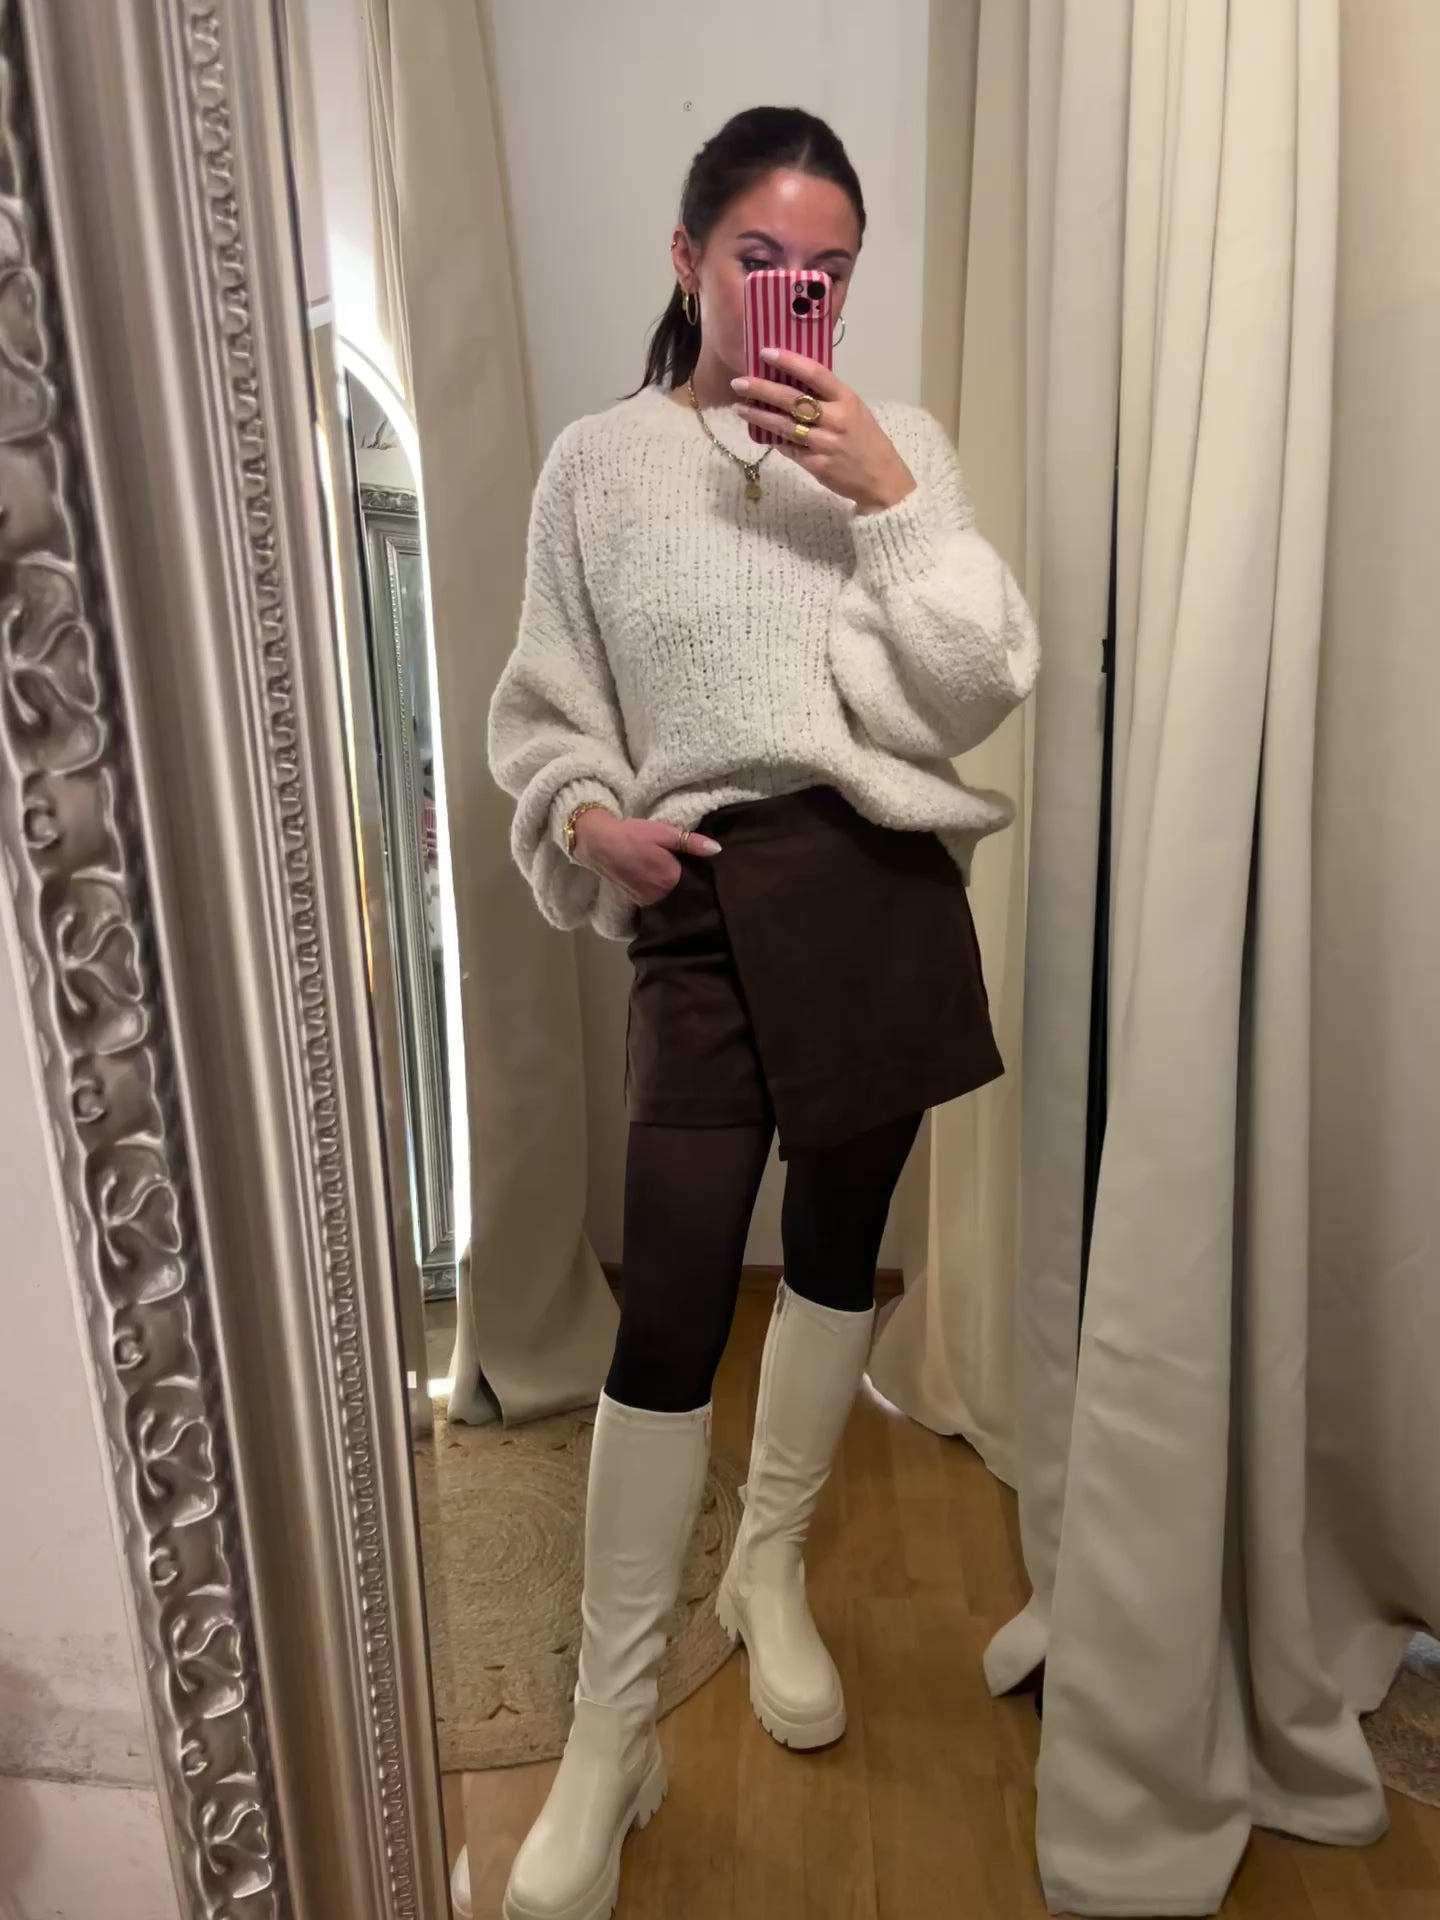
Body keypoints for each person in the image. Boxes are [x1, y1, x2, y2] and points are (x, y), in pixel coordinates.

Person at [458, 104, 1038, 1920]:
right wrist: (583, 818)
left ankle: (767, 1567)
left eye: (831, 272)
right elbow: (544, 708)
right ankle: (609, 1733)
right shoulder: (597, 466)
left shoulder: (898, 447)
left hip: (873, 891)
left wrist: (891, 498)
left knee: (842, 1257)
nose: (801, 295)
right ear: (690, 258)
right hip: (702, 907)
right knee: (668, 1316)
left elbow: (975, 687)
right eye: (763, 260)